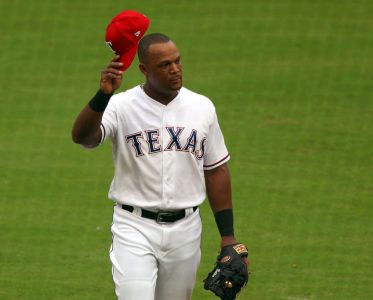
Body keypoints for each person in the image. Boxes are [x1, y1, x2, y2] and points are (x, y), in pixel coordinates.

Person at [71, 33, 247, 300]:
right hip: (134, 227)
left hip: (186, 230)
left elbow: (215, 169)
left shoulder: (202, 107)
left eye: (177, 61)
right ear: (144, 69)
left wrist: (228, 237)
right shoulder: (121, 106)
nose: (175, 69)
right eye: (164, 65)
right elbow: (82, 137)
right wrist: (102, 95)